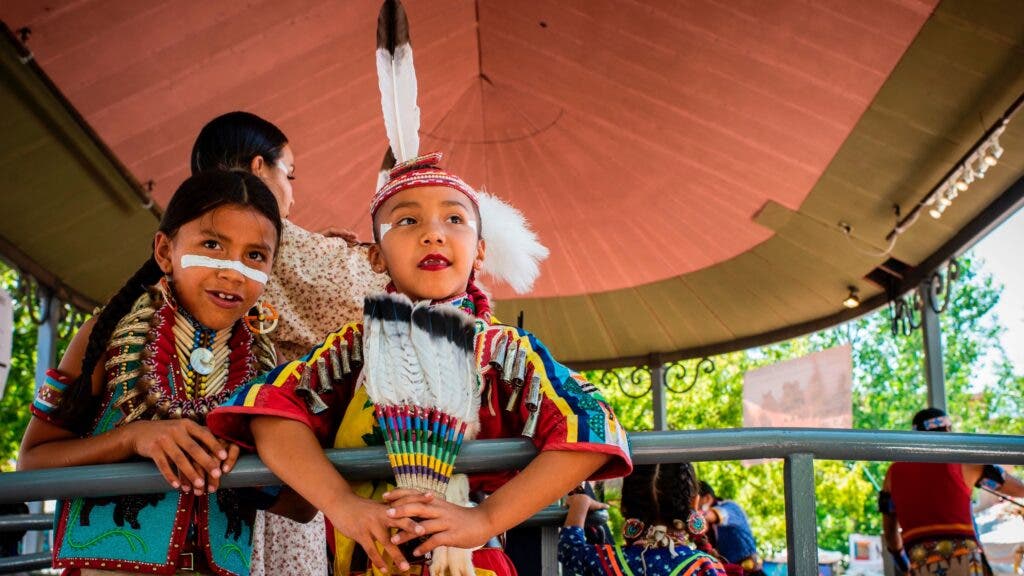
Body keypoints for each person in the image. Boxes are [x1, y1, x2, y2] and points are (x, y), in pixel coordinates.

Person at [207, 152, 633, 575]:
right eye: (407, 221)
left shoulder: (507, 353)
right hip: (368, 560)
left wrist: (484, 520)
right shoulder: (350, 350)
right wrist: (343, 505)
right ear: (375, 257)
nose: (433, 234)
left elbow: (594, 426)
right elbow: (269, 413)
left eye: (454, 220)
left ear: (479, 250)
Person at [18, 171, 284, 575]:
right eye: (212, 245)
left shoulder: (268, 368)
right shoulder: (107, 334)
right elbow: (32, 463)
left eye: (255, 256)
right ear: (164, 251)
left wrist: (255, 459)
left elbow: (301, 506)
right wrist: (132, 438)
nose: (233, 271)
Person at [191, 110, 387, 576]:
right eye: (290, 174)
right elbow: (379, 296)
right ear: (260, 168)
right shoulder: (275, 235)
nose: (293, 193)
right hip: (272, 469)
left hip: (204, 468)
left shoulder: (187, 244)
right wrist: (371, 254)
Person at [881, 407, 1024, 576]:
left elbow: (890, 533)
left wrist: (903, 564)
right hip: (965, 560)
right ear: (948, 429)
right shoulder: (965, 461)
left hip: (920, 561)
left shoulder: (893, 473)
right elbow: (1018, 489)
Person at [559, 463, 726, 576]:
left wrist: (580, 504)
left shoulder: (610, 560)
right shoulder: (706, 567)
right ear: (694, 503)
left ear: (625, 506)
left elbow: (569, 551)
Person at [697, 482, 763, 574]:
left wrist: (695, 514)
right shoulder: (703, 527)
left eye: (695, 500)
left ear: (707, 498)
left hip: (751, 572)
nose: (692, 505)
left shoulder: (730, 507)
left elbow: (711, 515)